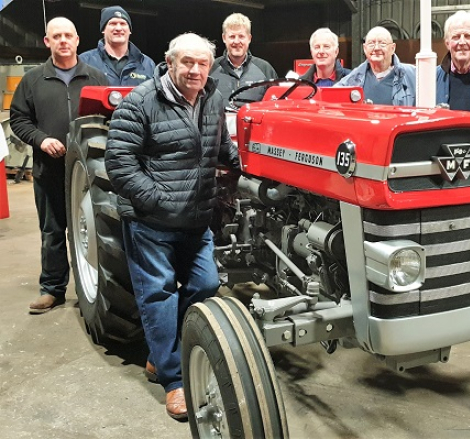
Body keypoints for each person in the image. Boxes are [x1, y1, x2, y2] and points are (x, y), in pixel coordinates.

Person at [105, 32, 239, 421]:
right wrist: (156, 199)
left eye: (202, 63)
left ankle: (160, 353)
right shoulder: (141, 102)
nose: (195, 70)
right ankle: (174, 380)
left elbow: (220, 144)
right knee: (159, 295)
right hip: (153, 222)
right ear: (170, 60)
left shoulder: (214, 98)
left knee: (207, 284)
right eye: (187, 62)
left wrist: (248, 163)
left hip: (196, 219)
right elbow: (119, 163)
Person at [9, 17, 107, 314]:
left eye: (68, 35)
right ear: (47, 42)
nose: (63, 40)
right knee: (52, 231)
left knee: (93, 230)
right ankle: (52, 289)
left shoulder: (96, 77)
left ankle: (94, 288)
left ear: (77, 40)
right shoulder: (33, 80)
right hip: (49, 171)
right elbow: (19, 119)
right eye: (57, 36)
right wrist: (40, 140)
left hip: (91, 174)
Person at [209, 12, 278, 108]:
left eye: (241, 36)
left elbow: (277, 104)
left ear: (249, 38)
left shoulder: (265, 68)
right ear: (224, 38)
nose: (237, 41)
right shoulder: (210, 68)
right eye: (232, 36)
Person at [335, 26, 415, 106]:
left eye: (382, 43)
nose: (376, 48)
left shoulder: (413, 75)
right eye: (371, 43)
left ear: (392, 48)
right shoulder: (353, 78)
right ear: (365, 48)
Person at [79, 5, 155, 86]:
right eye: (113, 23)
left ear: (130, 31)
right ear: (103, 29)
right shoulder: (85, 61)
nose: (118, 28)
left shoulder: (147, 64)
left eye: (123, 23)